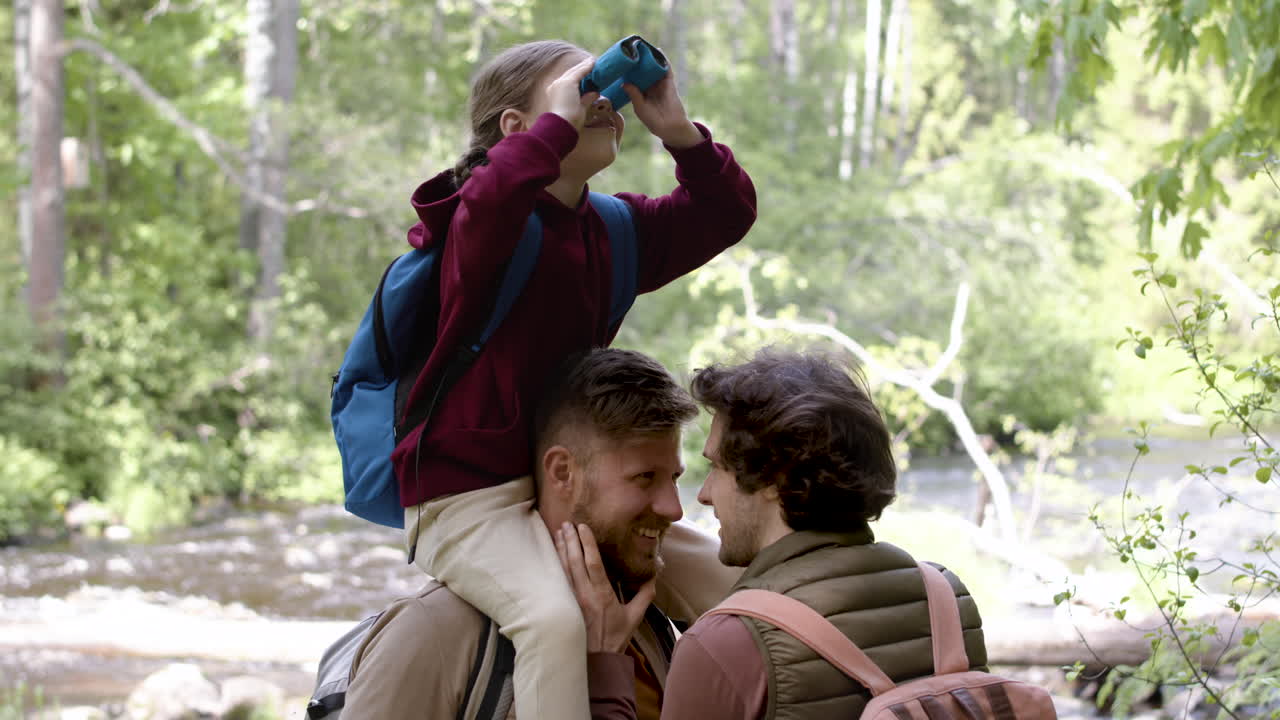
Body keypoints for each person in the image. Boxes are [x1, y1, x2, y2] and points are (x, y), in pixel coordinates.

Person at [390, 39, 756, 720]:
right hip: (465, 496)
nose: (602, 102)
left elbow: (725, 213)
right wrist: (556, 127)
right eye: (579, 89)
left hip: (576, 487)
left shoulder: (613, 229)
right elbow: (490, 205)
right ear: (516, 128)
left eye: (603, 89)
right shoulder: (479, 223)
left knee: (747, 590)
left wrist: (678, 131)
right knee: (553, 624)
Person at [559, 348, 990, 720]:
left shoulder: (723, 644)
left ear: (770, 478)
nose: (703, 495)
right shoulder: (946, 595)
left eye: (716, 468)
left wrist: (606, 668)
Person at [346, 348, 741, 719]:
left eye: (674, 478)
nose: (674, 509)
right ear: (562, 472)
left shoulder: (639, 615)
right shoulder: (431, 633)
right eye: (644, 477)